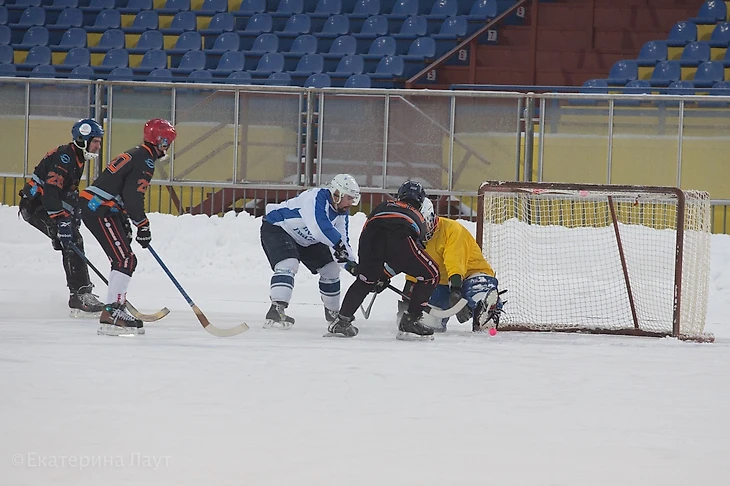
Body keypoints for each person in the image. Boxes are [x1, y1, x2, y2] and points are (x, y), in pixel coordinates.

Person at [79, 118, 177, 336]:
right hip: (99, 209)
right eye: (167, 140)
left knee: (122, 258)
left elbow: (122, 191)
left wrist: (124, 218)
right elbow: (133, 197)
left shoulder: (139, 154)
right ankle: (113, 311)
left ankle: (115, 308)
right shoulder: (146, 160)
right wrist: (142, 224)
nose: (168, 145)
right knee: (125, 259)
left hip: (101, 208)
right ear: (159, 140)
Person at [328, 180, 440, 340]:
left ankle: (342, 321)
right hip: (400, 235)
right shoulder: (418, 214)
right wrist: (385, 274)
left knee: (364, 281)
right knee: (432, 274)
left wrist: (377, 275)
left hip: (369, 237)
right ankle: (411, 320)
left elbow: (372, 230)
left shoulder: (384, 205)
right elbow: (404, 257)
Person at [18, 118, 106, 317]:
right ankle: (80, 294)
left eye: (100, 142)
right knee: (73, 239)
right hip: (35, 206)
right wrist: (61, 221)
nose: (98, 146)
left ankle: (80, 292)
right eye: (96, 141)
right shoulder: (65, 158)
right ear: (83, 139)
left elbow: (68, 192)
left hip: (46, 204)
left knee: (71, 238)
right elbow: (50, 193)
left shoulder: (78, 156)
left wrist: (72, 218)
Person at [260, 173, 360, 329]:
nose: (352, 202)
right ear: (337, 194)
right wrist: (338, 245)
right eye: (349, 197)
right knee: (289, 263)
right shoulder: (315, 198)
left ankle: (333, 313)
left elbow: (343, 240)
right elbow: (319, 227)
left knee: (331, 269)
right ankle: (276, 309)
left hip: (306, 238)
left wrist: (352, 265)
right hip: (278, 227)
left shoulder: (341, 212)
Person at [399, 198, 504, 333]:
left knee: (479, 289)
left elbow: (454, 262)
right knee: (428, 322)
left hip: (469, 275)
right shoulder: (412, 237)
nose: (421, 229)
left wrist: (456, 291)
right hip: (439, 283)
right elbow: (413, 266)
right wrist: (409, 298)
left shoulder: (452, 229)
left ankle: (486, 310)